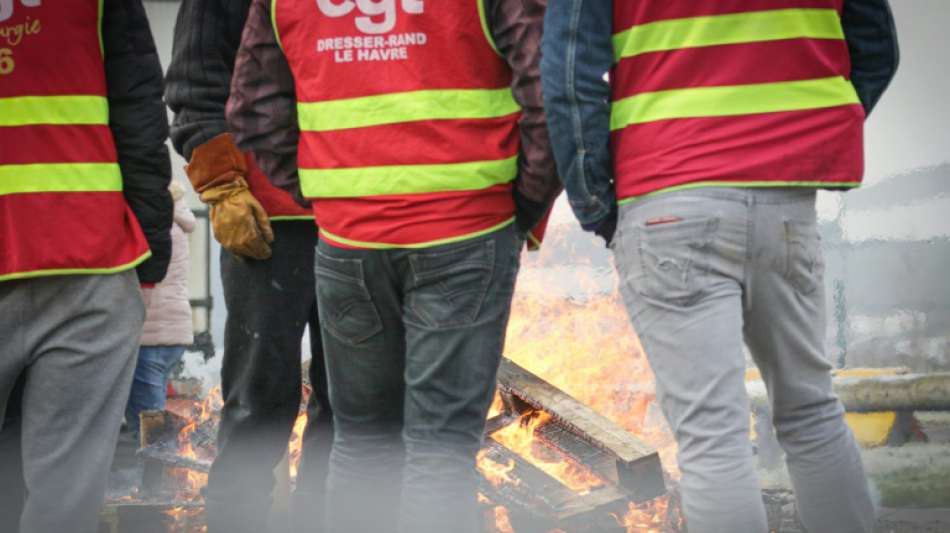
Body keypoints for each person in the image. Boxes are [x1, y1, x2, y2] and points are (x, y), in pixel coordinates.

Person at [542, 1, 899, 532]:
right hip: (786, 203)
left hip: (667, 193)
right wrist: (804, 138)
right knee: (813, 413)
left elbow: (571, 71)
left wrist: (597, 202)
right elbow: (876, 50)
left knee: (713, 438)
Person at [228, 1, 559, 532]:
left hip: (350, 239)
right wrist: (519, 204)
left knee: (362, 445)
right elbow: (551, 86)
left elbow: (251, 110)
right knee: (441, 450)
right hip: (466, 229)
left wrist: (331, 196)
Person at [0, 0, 172, 531]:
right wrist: (150, 260)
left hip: (88, 264)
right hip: (88, 259)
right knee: (65, 501)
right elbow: (140, 116)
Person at [164, 2, 334, 532]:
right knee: (257, 401)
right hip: (268, 222)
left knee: (354, 408)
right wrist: (222, 187)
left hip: (363, 215)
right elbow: (196, 84)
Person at [125, 181, 197, 437]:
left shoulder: (153, 221)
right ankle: (161, 474)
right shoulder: (174, 216)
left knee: (148, 430)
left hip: (150, 334)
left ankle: (157, 477)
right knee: (152, 423)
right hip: (170, 331)